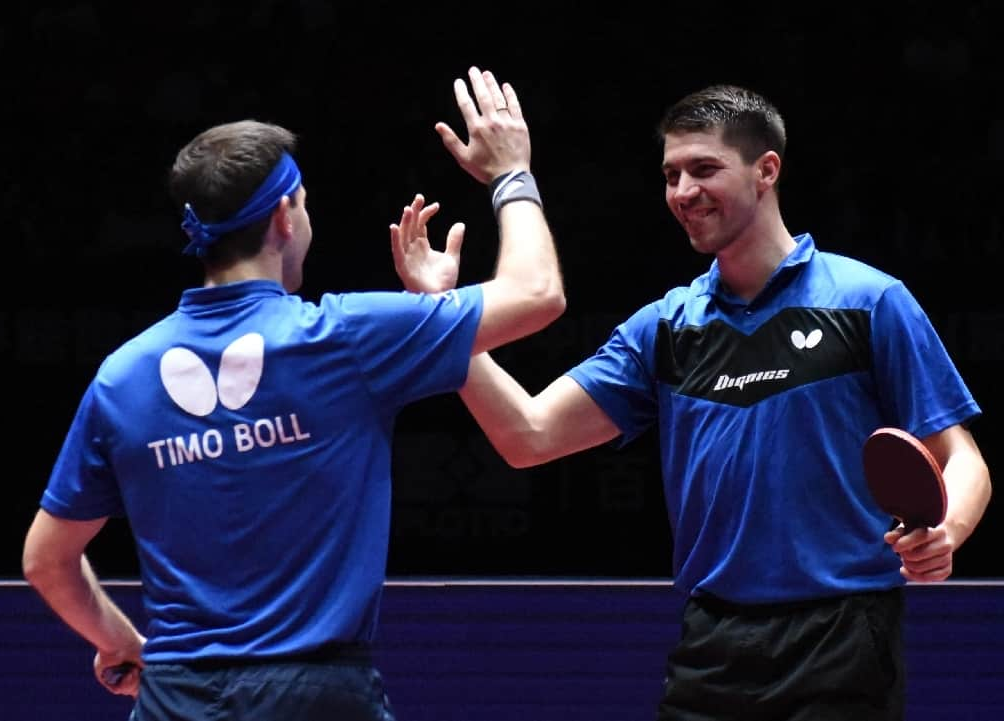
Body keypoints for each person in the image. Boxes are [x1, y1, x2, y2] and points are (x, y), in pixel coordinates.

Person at [394, 84, 991, 720]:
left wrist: (947, 531)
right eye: (671, 175)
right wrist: (442, 316)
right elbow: (528, 435)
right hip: (712, 642)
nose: (683, 193)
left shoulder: (868, 300)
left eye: (704, 170)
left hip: (841, 636)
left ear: (766, 171)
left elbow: (963, 459)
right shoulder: (667, 327)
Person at [21, 66, 563, 720]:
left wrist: (122, 642)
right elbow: (538, 294)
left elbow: (47, 560)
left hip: (176, 698)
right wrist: (512, 172)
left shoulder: (122, 375)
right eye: (304, 203)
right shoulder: (343, 337)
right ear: (285, 215)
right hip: (319, 698)